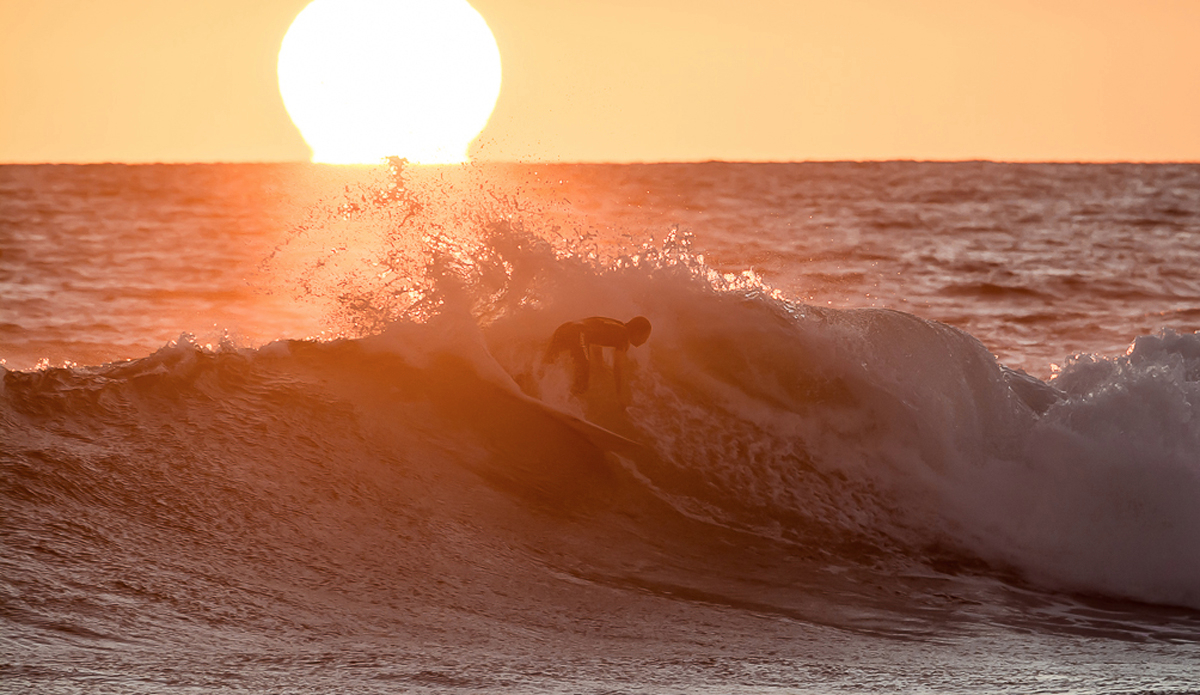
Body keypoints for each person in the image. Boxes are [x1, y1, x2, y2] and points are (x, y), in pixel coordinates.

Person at [544, 316, 651, 396]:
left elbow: (596, 339)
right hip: (578, 334)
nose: (645, 341)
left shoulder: (617, 325)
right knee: (582, 385)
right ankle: (561, 405)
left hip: (566, 327)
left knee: (546, 363)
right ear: (637, 332)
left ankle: (536, 385)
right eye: (645, 337)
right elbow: (618, 367)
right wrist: (620, 395)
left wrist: (600, 364)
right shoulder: (624, 337)